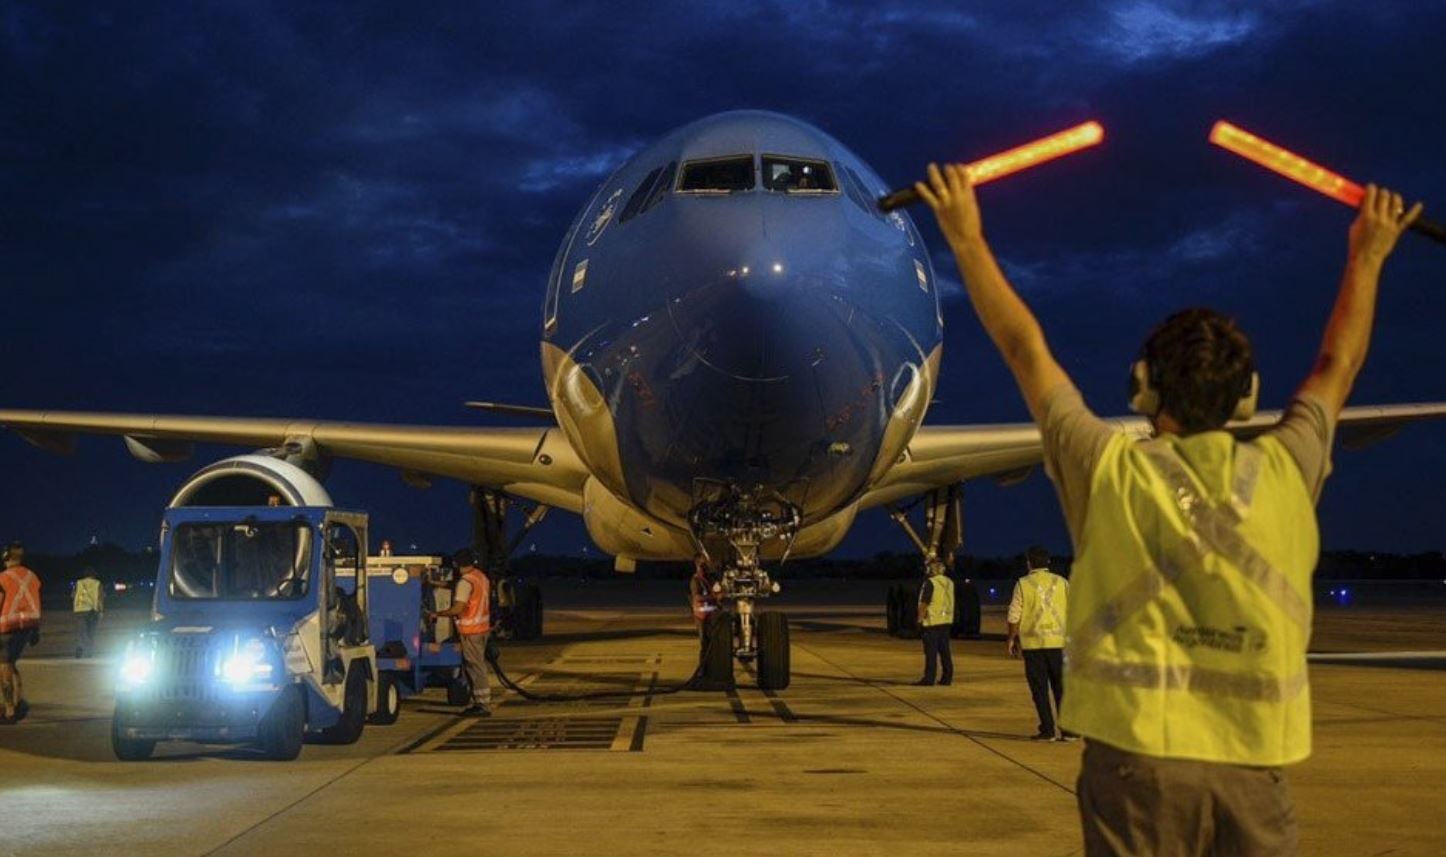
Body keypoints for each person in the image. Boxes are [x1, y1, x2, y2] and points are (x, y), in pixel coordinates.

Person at [918, 162, 1421, 855]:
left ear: (1141, 389)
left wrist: (965, 238)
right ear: (1248, 397)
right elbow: (1338, 364)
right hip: (1252, 771)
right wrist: (1369, 253)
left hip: (1136, 771)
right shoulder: (1285, 468)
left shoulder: (1109, 469)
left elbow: (1024, 349)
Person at [1006, 546, 1071, 741]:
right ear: (1048, 562)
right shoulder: (1063, 582)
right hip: (1059, 644)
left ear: (1029, 563)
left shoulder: (1023, 584)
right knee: (1062, 689)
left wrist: (1011, 638)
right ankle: (1069, 732)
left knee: (1040, 690)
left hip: (1033, 645)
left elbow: (1013, 615)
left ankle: (1048, 730)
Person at [428, 548, 493, 717]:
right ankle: (480, 702)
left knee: (475, 667)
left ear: (456, 564)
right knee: (476, 666)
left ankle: (482, 704)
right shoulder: (480, 577)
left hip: (470, 631)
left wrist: (438, 614)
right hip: (482, 629)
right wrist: (438, 583)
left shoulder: (465, 582)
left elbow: (459, 607)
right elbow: (461, 588)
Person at [0, 542, 43, 724]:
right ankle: (19, 700)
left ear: (7, 559)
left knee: (3, 666)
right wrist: (36, 630)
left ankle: (9, 710)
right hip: (28, 625)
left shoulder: (3, 577)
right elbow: (37, 600)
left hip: (8, 626)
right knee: (11, 662)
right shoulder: (32, 576)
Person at [913, 559, 954, 686]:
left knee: (931, 652)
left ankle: (929, 678)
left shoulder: (931, 582)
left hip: (932, 621)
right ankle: (947, 677)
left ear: (932, 569)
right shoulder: (949, 582)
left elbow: (925, 602)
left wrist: (919, 620)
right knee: (945, 651)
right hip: (946, 620)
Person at [72, 567, 105, 658]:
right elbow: (100, 598)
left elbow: (73, 595)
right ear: (94, 575)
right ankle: (89, 652)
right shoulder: (97, 584)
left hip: (80, 610)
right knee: (91, 632)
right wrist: (101, 611)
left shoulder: (78, 583)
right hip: (92, 610)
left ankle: (80, 646)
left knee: (81, 631)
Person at [688, 553, 719, 639]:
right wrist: (712, 597)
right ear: (698, 565)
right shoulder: (696, 580)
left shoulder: (707, 579)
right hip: (701, 616)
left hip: (709, 615)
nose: (707, 566)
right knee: (705, 640)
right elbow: (697, 597)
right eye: (704, 564)